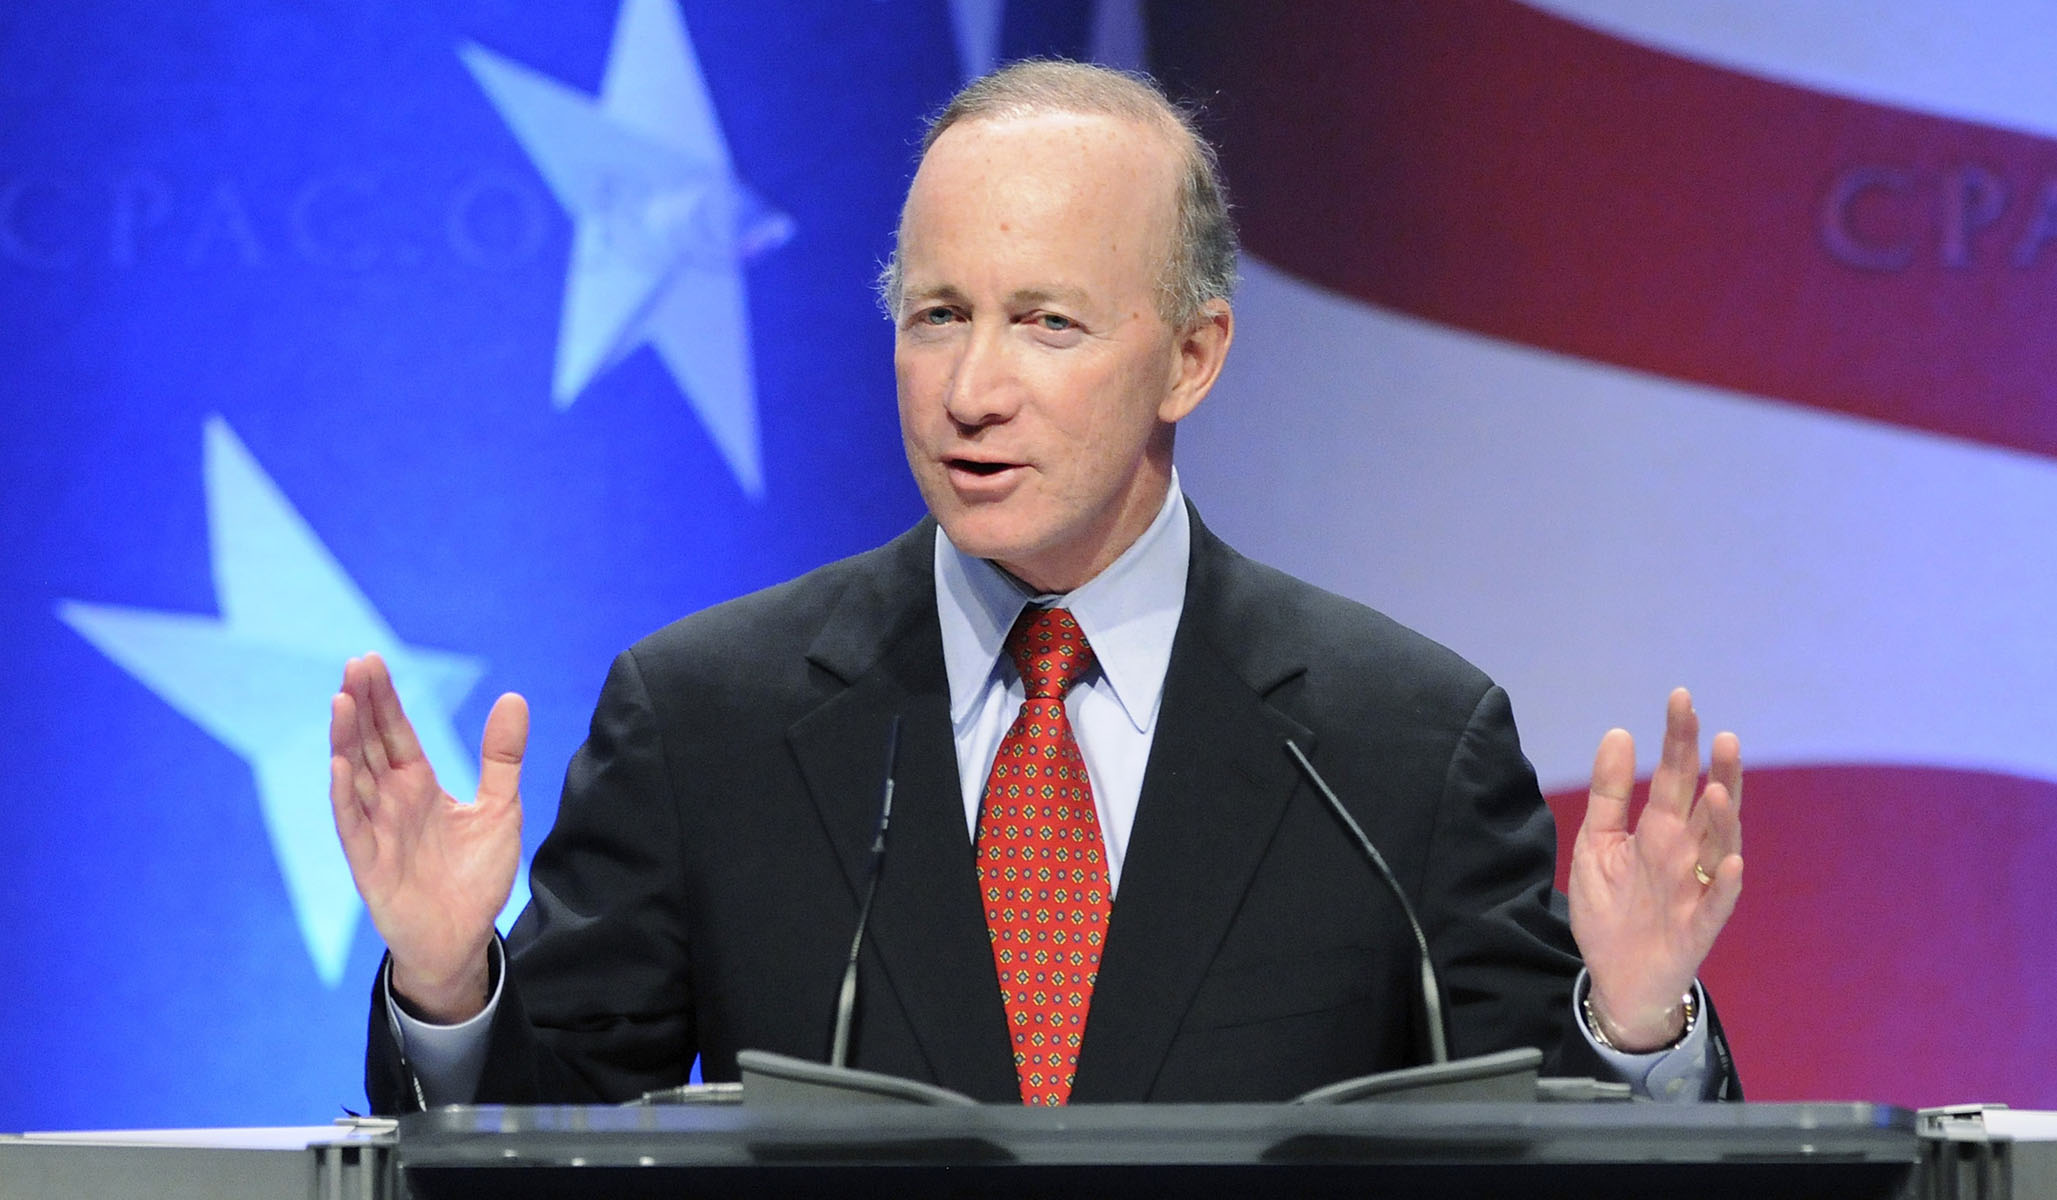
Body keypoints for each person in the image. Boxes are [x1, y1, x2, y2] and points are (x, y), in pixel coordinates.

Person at [331, 60, 1743, 1112]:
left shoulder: (1398, 747)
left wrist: (1631, 1021)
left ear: (1191, 357)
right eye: (936, 316)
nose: (971, 389)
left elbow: (1536, 1151)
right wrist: (450, 984)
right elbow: (556, 1148)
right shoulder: (704, 721)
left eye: (1046, 323)